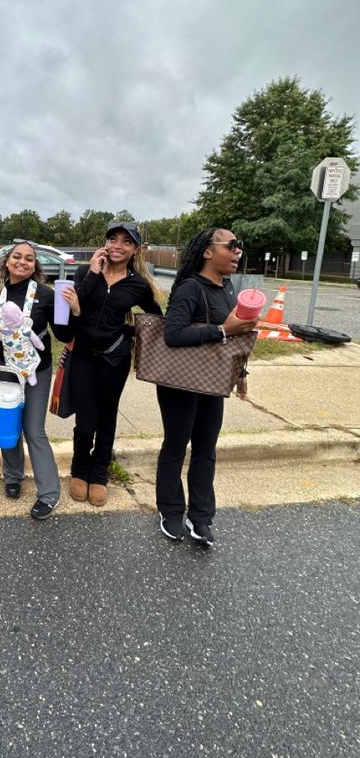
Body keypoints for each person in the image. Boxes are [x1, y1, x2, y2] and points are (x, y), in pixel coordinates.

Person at [155, 228, 257, 546]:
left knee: (205, 451)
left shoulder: (226, 289)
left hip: (213, 381)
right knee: (176, 446)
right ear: (208, 252)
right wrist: (221, 329)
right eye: (232, 246)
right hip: (180, 383)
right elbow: (172, 334)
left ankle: (201, 517)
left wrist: (240, 373)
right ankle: (171, 512)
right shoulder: (189, 288)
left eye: (239, 246)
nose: (238, 251)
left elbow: (233, 341)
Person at [62, 221, 162, 507]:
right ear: (105, 243)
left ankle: (99, 474)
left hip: (113, 361)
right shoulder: (84, 273)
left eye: (126, 242)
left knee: (106, 419)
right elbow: (70, 318)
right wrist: (93, 274)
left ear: (135, 250)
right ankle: (79, 470)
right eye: (113, 239)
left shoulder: (137, 285)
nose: (118, 246)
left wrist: (128, 334)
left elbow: (153, 318)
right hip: (82, 357)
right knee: (85, 422)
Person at [0, 241, 73, 520]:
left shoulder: (47, 294)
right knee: (9, 426)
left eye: (29, 259)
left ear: (35, 265)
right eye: (17, 257)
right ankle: (13, 476)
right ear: (6, 262)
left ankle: (49, 493)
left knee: (34, 430)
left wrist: (73, 309)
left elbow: (64, 334)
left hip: (36, 372)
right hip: (5, 371)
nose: (23, 262)